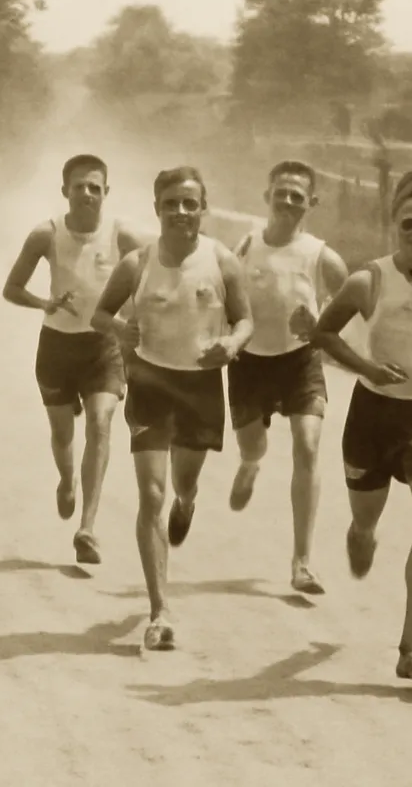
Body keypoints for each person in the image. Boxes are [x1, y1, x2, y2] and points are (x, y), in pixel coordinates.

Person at [310, 170, 412, 681]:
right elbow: (323, 333)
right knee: (367, 519)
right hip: (373, 418)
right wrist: (366, 369)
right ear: (394, 226)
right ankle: (362, 533)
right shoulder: (369, 280)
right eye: (409, 222)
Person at [91, 166, 254, 651]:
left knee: (182, 485)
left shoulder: (222, 260)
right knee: (152, 495)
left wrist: (232, 344)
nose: (181, 212)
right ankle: (160, 610)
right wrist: (120, 329)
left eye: (190, 203)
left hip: (201, 387)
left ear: (203, 209)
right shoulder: (137, 263)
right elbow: (100, 314)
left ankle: (189, 502)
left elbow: (246, 320)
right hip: (151, 384)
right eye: (172, 203)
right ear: (157, 207)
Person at [3, 154, 150, 565]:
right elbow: (11, 288)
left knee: (101, 424)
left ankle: (88, 526)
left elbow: (158, 275)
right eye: (79, 186)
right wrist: (44, 302)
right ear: (64, 190)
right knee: (63, 433)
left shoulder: (123, 235)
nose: (86, 193)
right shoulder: (45, 235)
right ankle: (67, 479)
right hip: (56, 346)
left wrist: (132, 320)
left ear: (106, 192)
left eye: (94, 187)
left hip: (103, 349)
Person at [226, 160, 348, 595]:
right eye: (282, 193)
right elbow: (224, 295)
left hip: (299, 363)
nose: (289, 202)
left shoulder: (322, 257)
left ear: (311, 204)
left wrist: (318, 320)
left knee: (308, 445)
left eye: (299, 196)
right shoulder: (244, 247)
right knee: (252, 442)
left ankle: (302, 561)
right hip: (250, 363)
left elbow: (350, 306)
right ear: (267, 197)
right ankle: (250, 462)